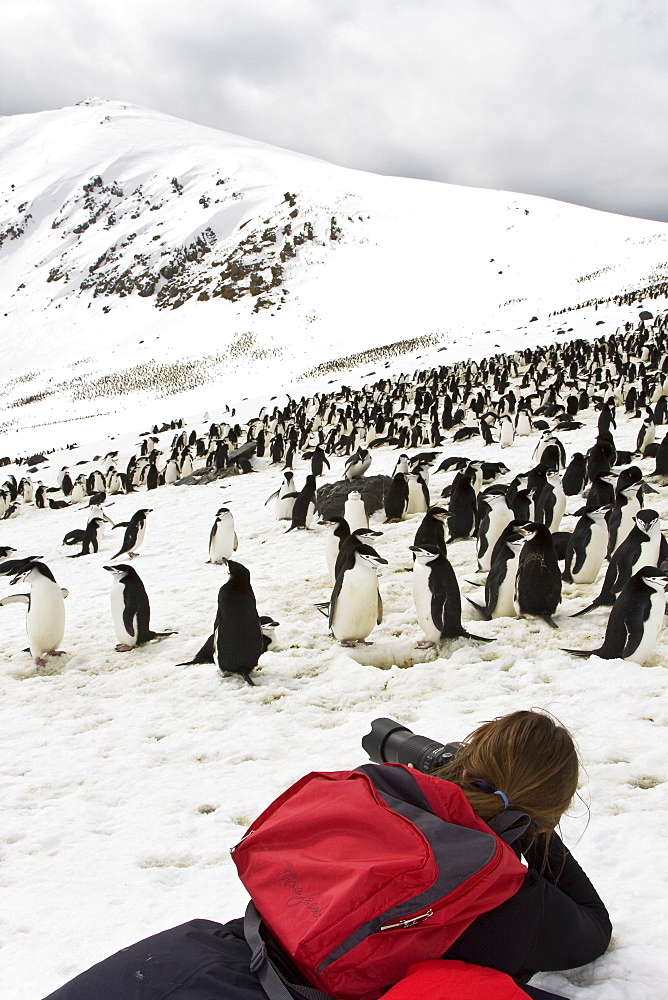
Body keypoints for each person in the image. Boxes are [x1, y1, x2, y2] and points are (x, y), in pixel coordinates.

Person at [42, 710, 611, 1000]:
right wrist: (527, 829)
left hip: (194, 958)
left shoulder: (378, 793)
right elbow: (593, 926)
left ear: (461, 765)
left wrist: (460, 792)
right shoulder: (510, 902)